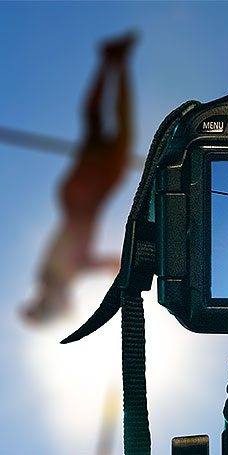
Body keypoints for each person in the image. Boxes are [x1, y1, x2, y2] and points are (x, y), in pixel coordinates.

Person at [22, 33, 137, 323]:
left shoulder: (51, 278)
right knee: (106, 128)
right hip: (91, 195)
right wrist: (113, 265)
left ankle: (112, 61)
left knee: (100, 127)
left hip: (82, 199)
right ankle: (116, 62)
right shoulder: (58, 279)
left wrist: (109, 265)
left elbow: (76, 260)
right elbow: (86, 262)